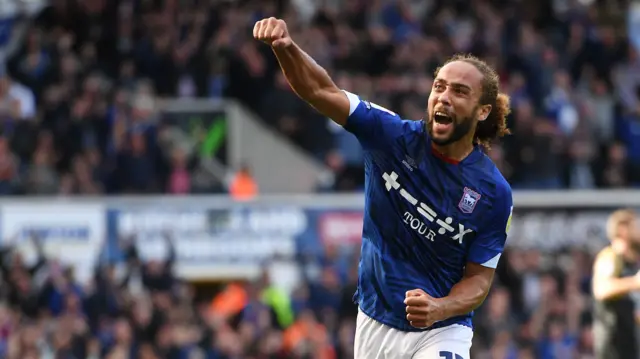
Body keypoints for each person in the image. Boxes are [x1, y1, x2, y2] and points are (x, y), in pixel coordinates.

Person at [253, 17, 513, 359]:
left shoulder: (494, 193)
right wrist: (286, 48)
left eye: (460, 91)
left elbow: (479, 280)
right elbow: (320, 90)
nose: (444, 97)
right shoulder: (391, 137)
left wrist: (440, 307)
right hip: (375, 321)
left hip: (441, 330)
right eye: (439, 86)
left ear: (483, 111)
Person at [592, 209, 640, 359]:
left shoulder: (631, 262)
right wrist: (634, 282)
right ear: (623, 229)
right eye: (636, 225)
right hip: (612, 345)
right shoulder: (610, 256)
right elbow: (601, 288)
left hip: (629, 343)